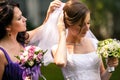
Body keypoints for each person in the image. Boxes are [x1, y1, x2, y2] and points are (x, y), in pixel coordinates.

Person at [52, 0, 119, 80]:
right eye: (81, 25)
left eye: (88, 23)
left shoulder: (95, 43)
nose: (87, 29)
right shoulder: (57, 48)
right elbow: (60, 62)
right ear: (67, 24)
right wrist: (62, 32)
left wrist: (110, 68)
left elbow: (102, 77)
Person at [0, 0, 62, 80]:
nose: (25, 19)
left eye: (22, 15)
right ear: (7, 27)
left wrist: (50, 13)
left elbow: (43, 29)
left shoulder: (22, 38)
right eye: (19, 19)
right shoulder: (1, 54)